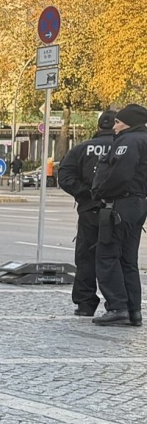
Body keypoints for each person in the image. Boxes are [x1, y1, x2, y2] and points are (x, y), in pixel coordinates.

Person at [90, 102, 147, 327]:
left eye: (118, 121)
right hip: (138, 203)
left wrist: (101, 192)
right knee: (128, 259)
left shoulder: (129, 141)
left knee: (106, 254)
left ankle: (117, 307)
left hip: (121, 203)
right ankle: (134, 311)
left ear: (129, 123)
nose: (114, 126)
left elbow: (119, 175)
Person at [56, 110, 117, 316]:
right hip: (118, 209)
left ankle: (85, 303)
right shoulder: (125, 147)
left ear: (98, 127)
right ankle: (117, 304)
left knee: (85, 257)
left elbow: (64, 176)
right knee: (116, 257)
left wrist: (85, 194)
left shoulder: (82, 148)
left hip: (89, 210)